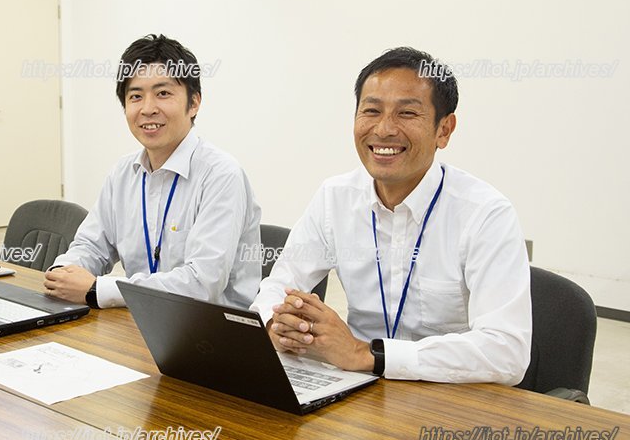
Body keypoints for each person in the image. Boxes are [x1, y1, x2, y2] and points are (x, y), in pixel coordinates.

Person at [251, 47, 531, 384]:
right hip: (354, 390)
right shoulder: (335, 197)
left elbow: (507, 352)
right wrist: (275, 323)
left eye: (407, 114)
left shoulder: (485, 214)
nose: (383, 129)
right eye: (371, 110)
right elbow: (279, 285)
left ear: (444, 129)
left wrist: (366, 354)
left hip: (447, 396)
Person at [43, 34, 261, 309]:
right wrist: (65, 271)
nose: (147, 109)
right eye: (135, 96)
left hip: (213, 334)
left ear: (194, 103)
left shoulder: (221, 175)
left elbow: (202, 284)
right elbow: (91, 246)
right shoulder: (123, 173)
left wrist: (98, 289)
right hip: (140, 320)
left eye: (163, 93)